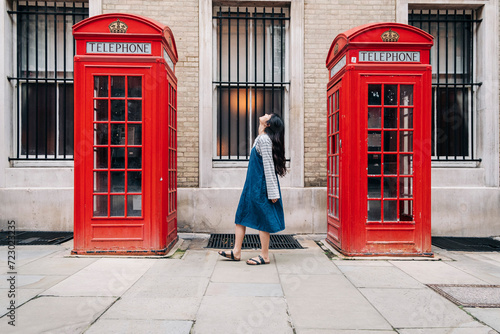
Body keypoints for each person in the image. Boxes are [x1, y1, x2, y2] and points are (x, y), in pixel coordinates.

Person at [218, 113, 287, 265]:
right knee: (241, 215)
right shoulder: (260, 138)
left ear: (268, 124)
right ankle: (236, 251)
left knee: (263, 219)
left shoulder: (264, 140)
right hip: (251, 185)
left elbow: (269, 166)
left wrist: (273, 192)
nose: (266, 114)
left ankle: (264, 256)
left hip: (261, 186)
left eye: (269, 115)